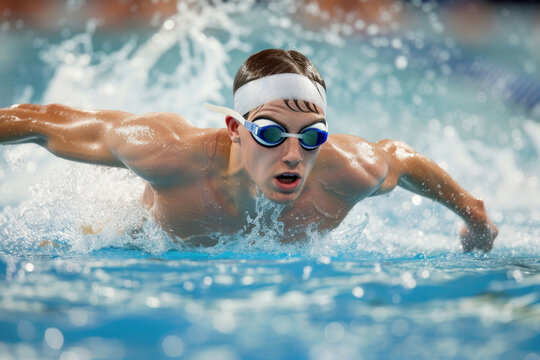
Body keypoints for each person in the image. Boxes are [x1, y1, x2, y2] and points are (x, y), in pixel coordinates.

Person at [0, 49, 497, 251]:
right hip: (140, 238)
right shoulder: (167, 153)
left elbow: (403, 159)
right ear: (235, 129)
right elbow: (43, 122)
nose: (293, 154)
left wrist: (473, 216)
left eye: (311, 136)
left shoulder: (347, 171)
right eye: (270, 133)